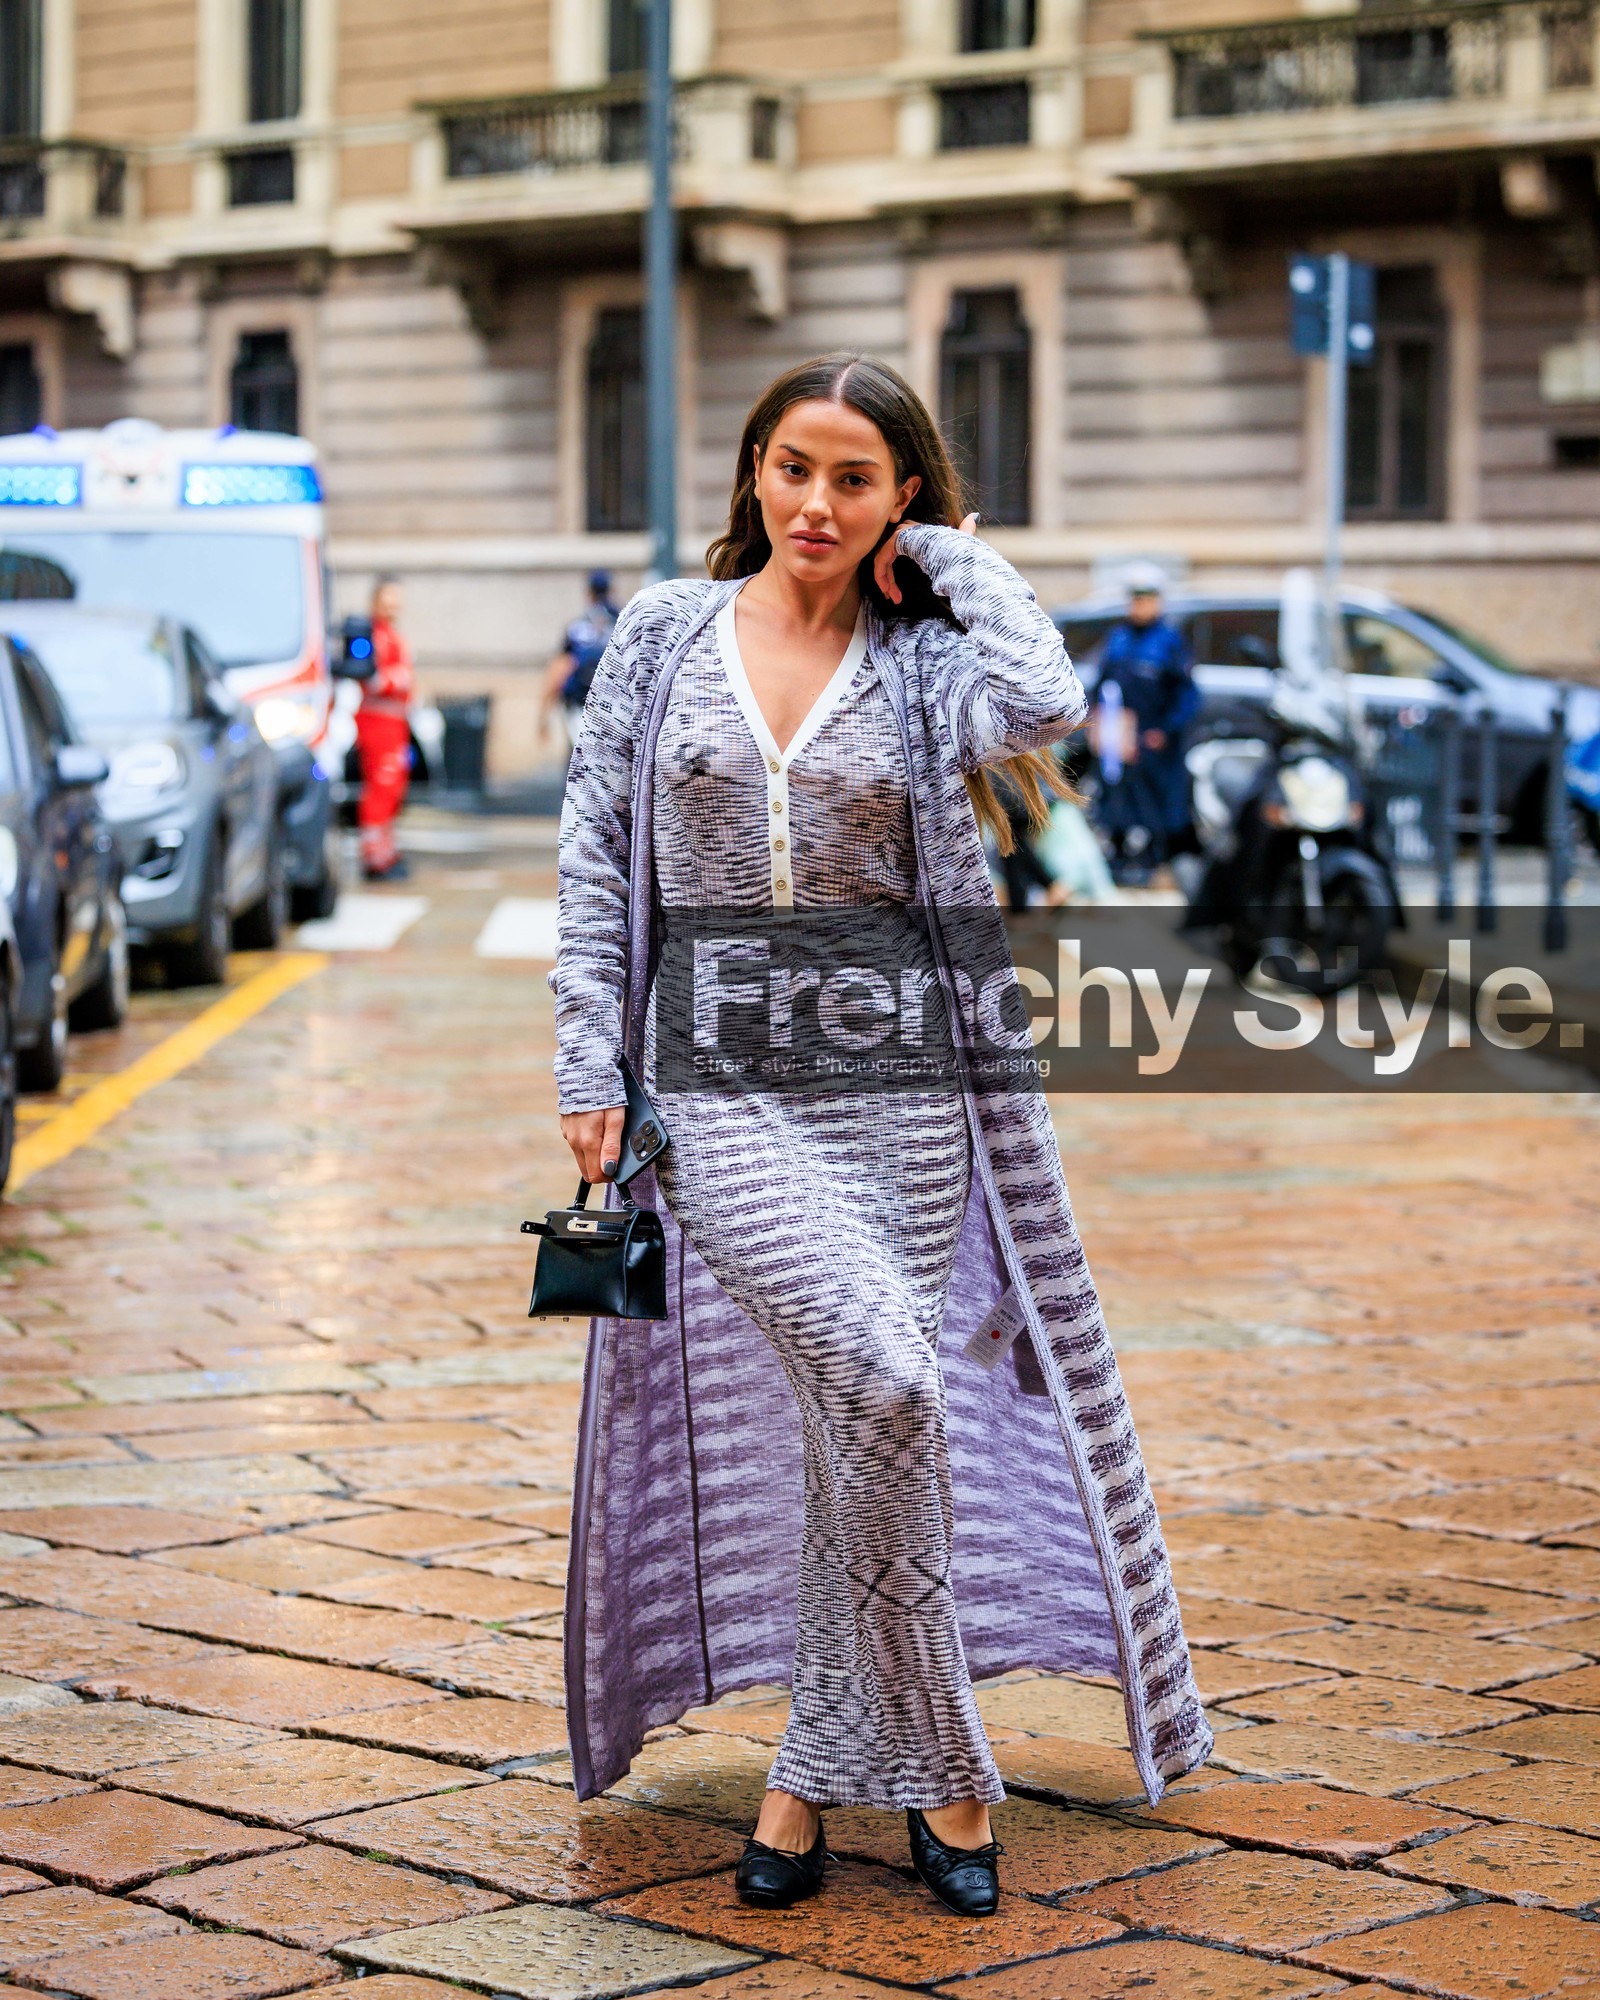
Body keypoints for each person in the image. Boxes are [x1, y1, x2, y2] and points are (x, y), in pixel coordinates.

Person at [552, 354, 1210, 1919]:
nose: (816, 504)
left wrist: (958, 559)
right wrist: (589, 1055)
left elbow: (1049, 694)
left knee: (873, 1422)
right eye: (793, 467)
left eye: (855, 478)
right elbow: (592, 855)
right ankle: (950, 1770)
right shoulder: (660, 636)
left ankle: (807, 1775)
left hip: (901, 1092)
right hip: (715, 1078)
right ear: (753, 472)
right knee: (890, 1375)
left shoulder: (925, 663)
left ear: (902, 495)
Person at [1093, 565, 1199, 882]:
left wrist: (1165, 730)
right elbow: (1102, 683)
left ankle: (1155, 861)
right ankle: (1120, 857)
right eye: (1134, 599)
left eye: (1146, 599)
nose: (1139, 606)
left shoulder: (1169, 641)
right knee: (1116, 799)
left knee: (1157, 803)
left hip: (1156, 739)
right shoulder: (1119, 637)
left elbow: (1187, 694)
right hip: (1120, 738)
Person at [356, 575, 415, 882]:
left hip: (395, 723)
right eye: (388, 599)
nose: (394, 606)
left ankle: (387, 852)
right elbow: (372, 677)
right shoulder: (371, 636)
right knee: (381, 786)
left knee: (393, 788)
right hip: (377, 722)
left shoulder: (391, 634)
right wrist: (399, 678)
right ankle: (374, 858)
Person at [540, 570, 620, 751]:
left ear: (589, 593)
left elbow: (560, 669)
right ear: (610, 590)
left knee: (581, 759)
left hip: (580, 703)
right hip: (615, 706)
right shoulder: (622, 622)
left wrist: (543, 715)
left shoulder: (577, 626)